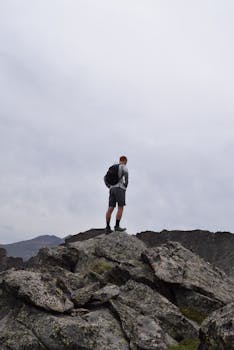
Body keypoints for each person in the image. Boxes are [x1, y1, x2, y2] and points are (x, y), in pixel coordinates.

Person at [105, 156, 129, 233]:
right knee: (120, 207)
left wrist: (109, 186)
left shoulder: (113, 167)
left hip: (111, 189)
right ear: (125, 161)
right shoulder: (123, 167)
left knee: (110, 208)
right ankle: (117, 226)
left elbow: (105, 178)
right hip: (120, 188)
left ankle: (107, 227)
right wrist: (125, 186)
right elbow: (126, 177)